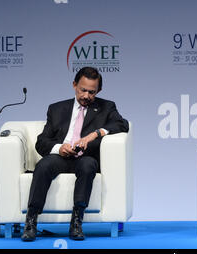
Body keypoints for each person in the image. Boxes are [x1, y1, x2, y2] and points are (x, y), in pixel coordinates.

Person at [21, 67, 129, 241]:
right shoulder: (56, 109)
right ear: (74, 85)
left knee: (88, 166)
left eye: (92, 92)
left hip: (85, 157)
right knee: (43, 165)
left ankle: (77, 221)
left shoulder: (106, 107)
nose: (86, 96)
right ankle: (31, 220)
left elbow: (122, 124)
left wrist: (95, 134)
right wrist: (59, 147)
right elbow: (41, 142)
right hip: (60, 157)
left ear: (98, 91)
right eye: (83, 90)